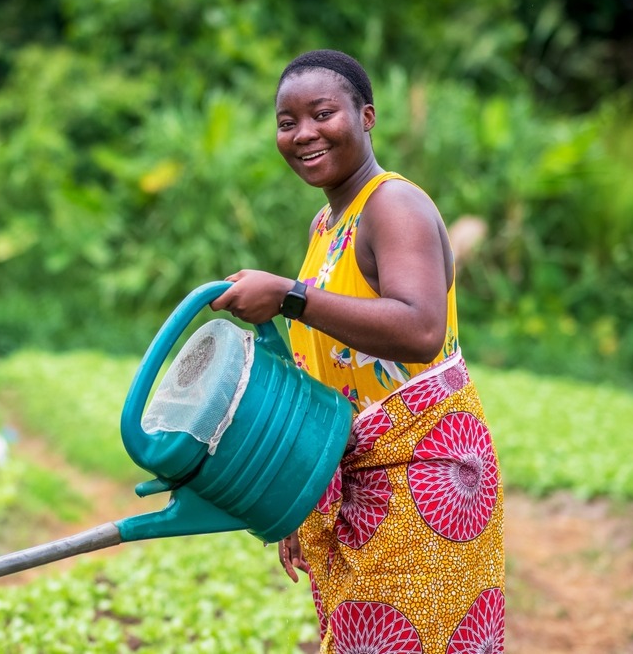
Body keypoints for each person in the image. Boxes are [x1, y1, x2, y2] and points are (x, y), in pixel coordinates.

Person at [210, 50, 505, 652]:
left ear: (365, 116)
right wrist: (301, 485)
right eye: (287, 121)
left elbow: (419, 328)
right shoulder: (327, 226)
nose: (304, 134)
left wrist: (291, 296)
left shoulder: (392, 205)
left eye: (323, 113)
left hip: (422, 481)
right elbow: (326, 364)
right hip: (362, 482)